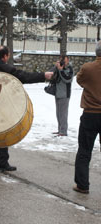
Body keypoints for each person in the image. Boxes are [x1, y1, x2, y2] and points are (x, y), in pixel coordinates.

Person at [73, 41, 101, 194]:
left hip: (90, 113)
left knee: (84, 150)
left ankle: (82, 185)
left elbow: (79, 80)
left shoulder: (87, 68)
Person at [52, 55, 74, 137]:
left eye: (64, 61)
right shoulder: (59, 68)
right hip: (57, 93)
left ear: (68, 60)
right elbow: (52, 76)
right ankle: (60, 130)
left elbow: (68, 79)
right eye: (61, 60)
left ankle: (63, 131)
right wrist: (56, 67)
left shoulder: (70, 69)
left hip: (65, 94)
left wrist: (61, 70)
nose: (62, 62)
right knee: (58, 113)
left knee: (63, 114)